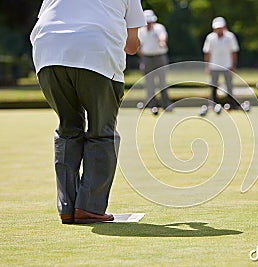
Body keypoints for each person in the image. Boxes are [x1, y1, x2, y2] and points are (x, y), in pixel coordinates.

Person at [30, 0, 146, 224]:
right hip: (95, 49)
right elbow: (131, 46)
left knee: (68, 129)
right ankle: (89, 207)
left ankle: (67, 207)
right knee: (102, 131)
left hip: (47, 51)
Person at [202, 16, 240, 113]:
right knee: (214, 86)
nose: (218, 30)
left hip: (227, 65)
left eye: (220, 27)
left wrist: (233, 65)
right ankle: (213, 104)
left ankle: (232, 104)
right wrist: (207, 66)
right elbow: (207, 52)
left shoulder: (230, 37)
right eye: (217, 28)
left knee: (229, 86)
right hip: (214, 65)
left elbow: (234, 51)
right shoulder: (210, 38)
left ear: (224, 27)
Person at [138, 10, 172, 115]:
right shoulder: (140, 31)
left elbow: (163, 37)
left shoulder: (159, 28)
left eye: (150, 21)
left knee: (162, 82)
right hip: (147, 59)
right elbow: (138, 44)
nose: (149, 24)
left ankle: (166, 104)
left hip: (160, 57)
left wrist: (162, 41)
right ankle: (152, 105)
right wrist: (140, 53)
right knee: (149, 83)